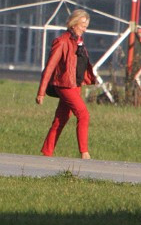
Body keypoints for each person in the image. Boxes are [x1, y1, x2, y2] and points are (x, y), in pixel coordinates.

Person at [36, 9, 96, 158]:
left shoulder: (79, 42)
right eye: (82, 24)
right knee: (83, 114)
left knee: (60, 119)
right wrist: (41, 92)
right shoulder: (62, 41)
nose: (84, 28)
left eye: (86, 25)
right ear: (73, 23)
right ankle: (84, 152)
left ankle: (47, 151)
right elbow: (49, 67)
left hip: (76, 86)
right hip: (64, 85)